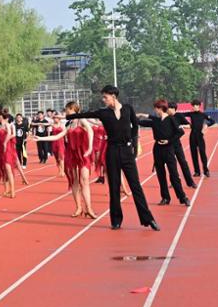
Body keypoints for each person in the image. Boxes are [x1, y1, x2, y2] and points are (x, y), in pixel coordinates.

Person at [64, 85, 160, 231]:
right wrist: (68, 116)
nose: (103, 100)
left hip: (127, 151)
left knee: (135, 186)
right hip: (112, 151)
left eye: (105, 97)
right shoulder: (104, 113)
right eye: (103, 97)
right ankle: (116, 220)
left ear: (113, 96)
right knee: (114, 187)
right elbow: (86, 115)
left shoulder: (128, 109)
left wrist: (133, 144)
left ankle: (148, 218)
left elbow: (135, 126)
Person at [33, 102, 97, 218]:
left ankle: (89, 208)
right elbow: (58, 136)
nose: (66, 112)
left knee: (85, 180)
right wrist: (41, 138)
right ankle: (78, 207)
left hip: (83, 153)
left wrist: (90, 146)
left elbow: (90, 130)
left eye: (68, 110)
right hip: (71, 154)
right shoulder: (68, 124)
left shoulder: (80, 119)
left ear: (74, 109)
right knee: (74, 181)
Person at [137, 100, 191, 206]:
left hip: (169, 149)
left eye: (155, 108)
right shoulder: (156, 121)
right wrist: (132, 118)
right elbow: (143, 122)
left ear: (160, 108)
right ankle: (165, 198)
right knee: (161, 175)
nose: (154, 110)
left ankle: (182, 197)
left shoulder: (171, 119)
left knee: (174, 175)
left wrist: (169, 141)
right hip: (157, 149)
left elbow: (180, 132)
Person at [167, 102, 197, 188]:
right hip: (168, 144)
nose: (167, 110)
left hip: (176, 144)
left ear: (173, 108)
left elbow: (189, 125)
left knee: (183, 162)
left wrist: (181, 126)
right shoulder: (167, 117)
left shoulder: (179, 116)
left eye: (168, 108)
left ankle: (190, 182)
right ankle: (174, 182)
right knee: (172, 165)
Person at [185, 99, 215, 177]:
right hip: (192, 136)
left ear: (199, 106)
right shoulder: (190, 114)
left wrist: (206, 125)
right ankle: (197, 171)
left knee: (202, 154)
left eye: (196, 105)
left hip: (200, 136)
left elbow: (212, 121)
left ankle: (206, 170)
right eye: (193, 106)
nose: (194, 107)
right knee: (194, 154)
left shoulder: (203, 115)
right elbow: (181, 115)